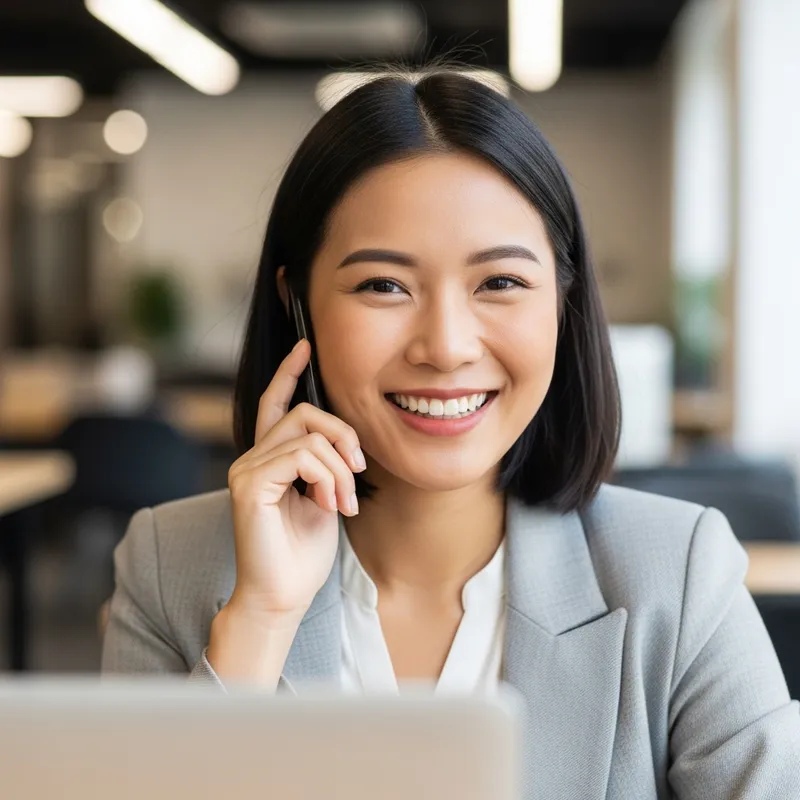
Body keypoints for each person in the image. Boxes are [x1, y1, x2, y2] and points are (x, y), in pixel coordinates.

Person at [102, 70, 800, 798]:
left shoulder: (675, 573)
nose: (445, 346)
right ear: (298, 302)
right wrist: (261, 622)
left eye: (499, 282)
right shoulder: (168, 567)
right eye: (384, 286)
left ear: (563, 301)